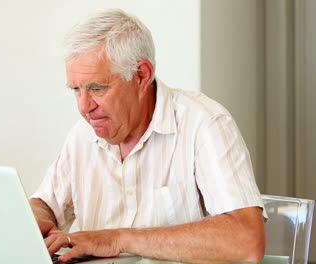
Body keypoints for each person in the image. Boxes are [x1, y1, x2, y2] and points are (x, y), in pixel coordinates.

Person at [30, 9, 266, 263]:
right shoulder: (82, 134)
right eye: (76, 90)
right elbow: (45, 204)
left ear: (142, 75)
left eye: (97, 88)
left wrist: (116, 239)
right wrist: (36, 219)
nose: (84, 107)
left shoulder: (204, 123)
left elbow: (246, 241)